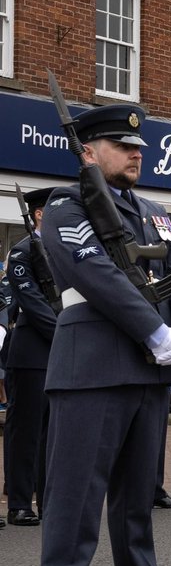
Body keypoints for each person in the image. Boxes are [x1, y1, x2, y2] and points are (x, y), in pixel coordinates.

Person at [40, 104, 171, 566]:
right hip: (93, 364)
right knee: (76, 495)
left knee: (137, 497)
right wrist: (155, 331)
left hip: (150, 369)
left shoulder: (155, 212)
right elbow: (94, 272)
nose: (137, 154)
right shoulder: (66, 205)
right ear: (88, 152)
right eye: (123, 146)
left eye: (139, 147)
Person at [5, 186, 56, 527]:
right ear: (39, 214)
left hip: (59, 352)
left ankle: (49, 500)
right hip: (32, 352)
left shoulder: (63, 249)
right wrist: (67, 333)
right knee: (25, 432)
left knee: (53, 433)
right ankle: (20, 503)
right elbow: (33, 304)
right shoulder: (23, 252)